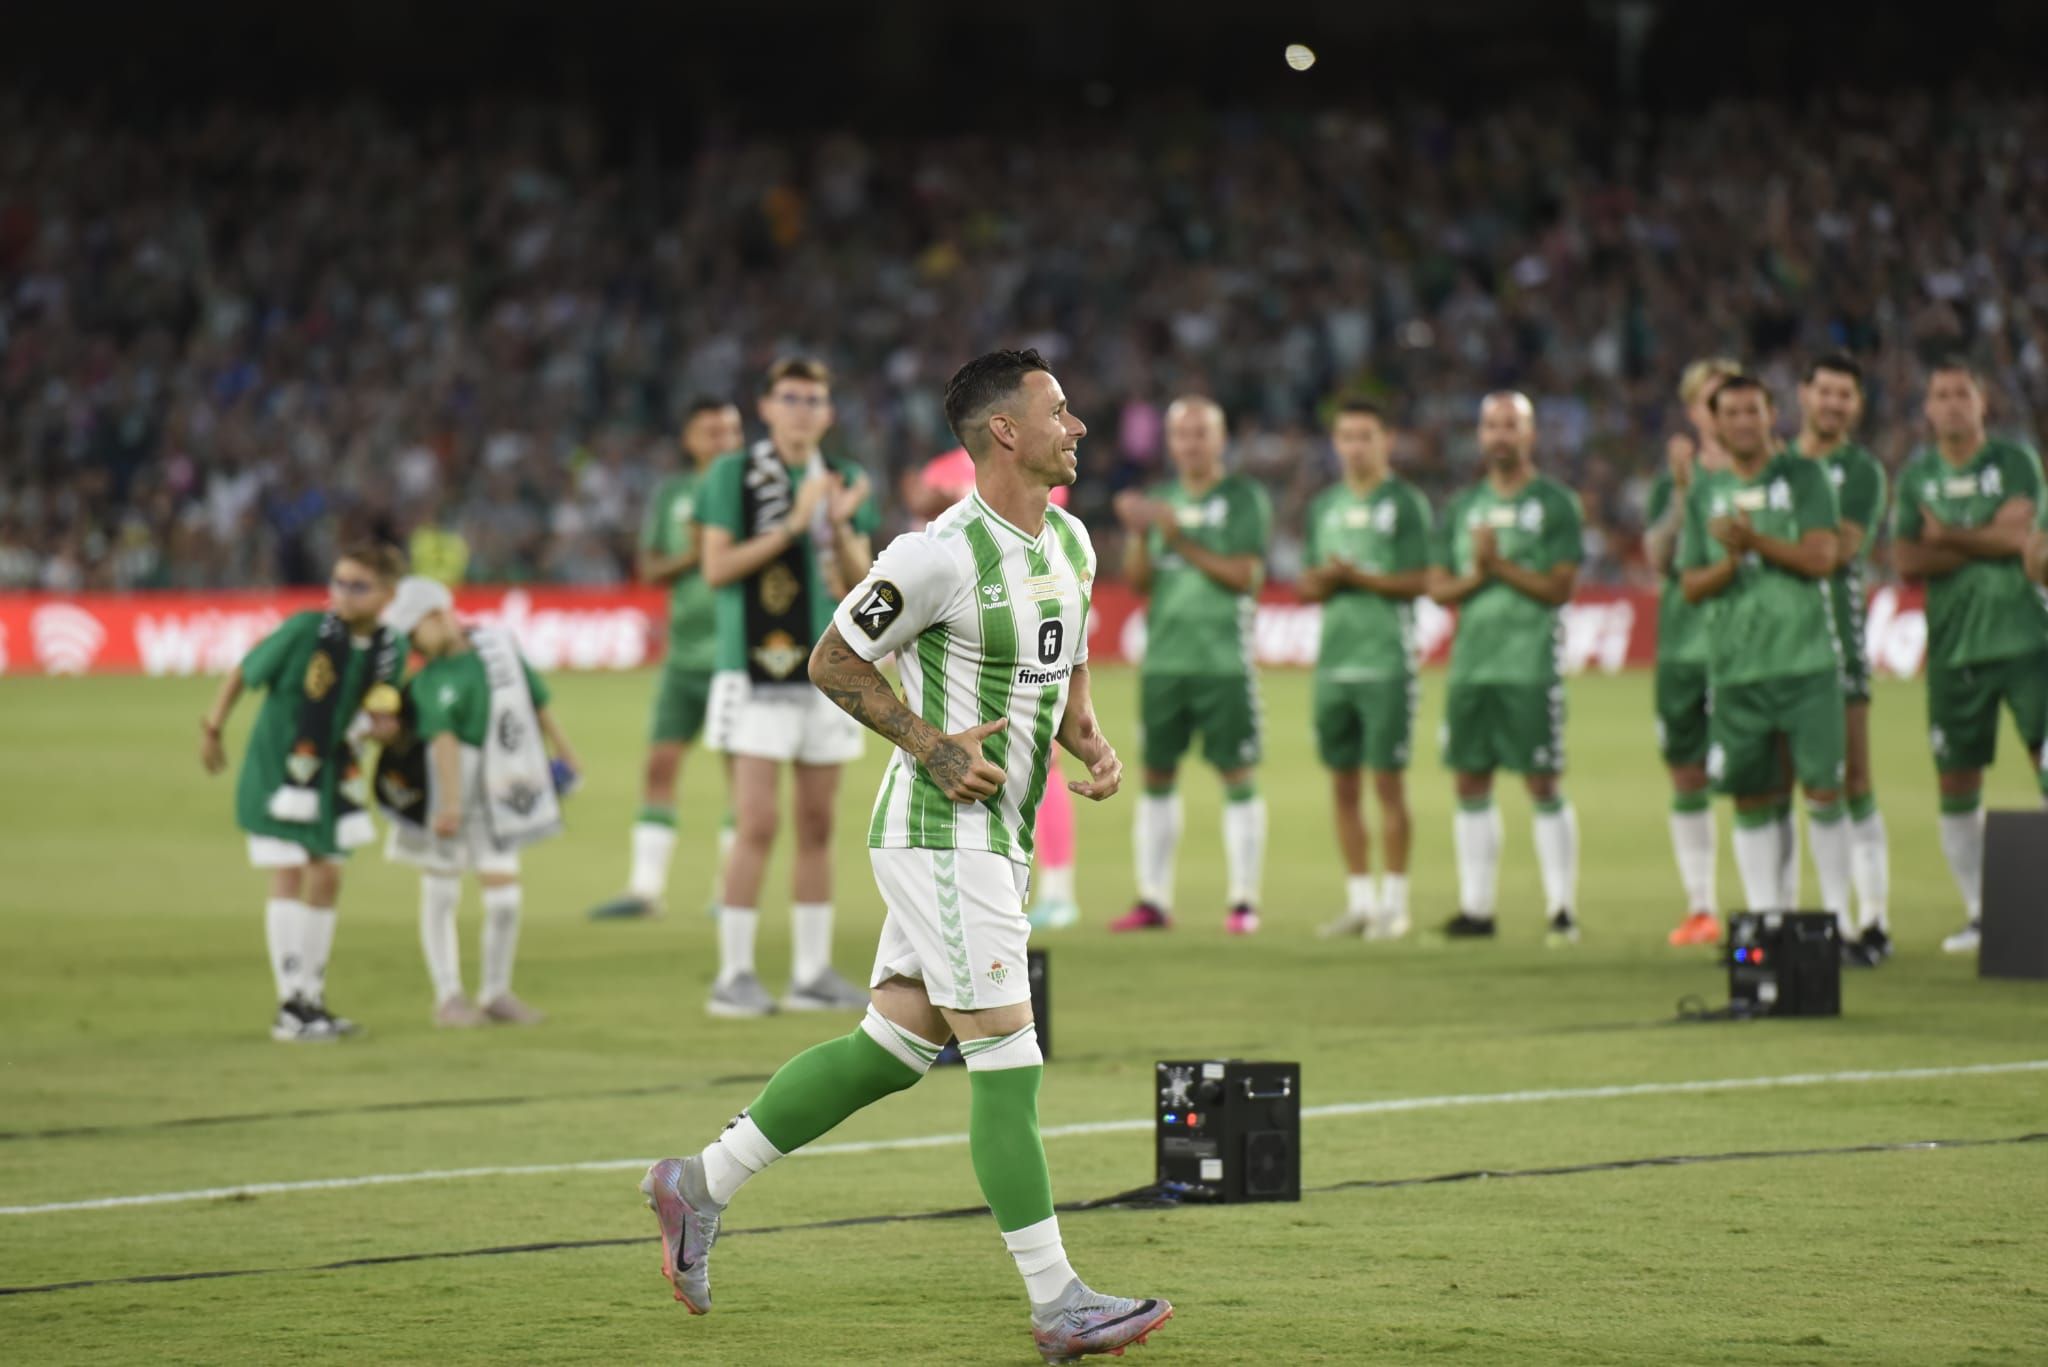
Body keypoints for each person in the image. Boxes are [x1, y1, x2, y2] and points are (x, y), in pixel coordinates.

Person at [638, 348, 1169, 1365]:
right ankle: (1058, 1300)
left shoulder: (1070, 539)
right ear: (1004, 431)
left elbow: (1063, 660)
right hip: (940, 833)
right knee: (1007, 1057)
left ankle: (698, 1182)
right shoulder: (935, 556)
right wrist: (929, 743)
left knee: (889, 1049)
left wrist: (1086, 737)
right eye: (1059, 410)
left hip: (998, 836)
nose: (1077, 426)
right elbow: (832, 657)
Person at [695, 357, 878, 1016]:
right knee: (757, 822)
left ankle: (811, 972)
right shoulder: (733, 473)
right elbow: (716, 568)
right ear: (766, 407)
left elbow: (862, 582)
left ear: (828, 414)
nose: (802, 410)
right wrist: (794, 526)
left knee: (818, 823)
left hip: (828, 670)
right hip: (754, 669)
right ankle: (733, 974)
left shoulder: (845, 477)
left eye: (813, 399)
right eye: (790, 398)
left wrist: (840, 523)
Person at [199, 543, 406, 1041]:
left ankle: (312, 998)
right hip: (279, 773)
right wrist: (212, 728)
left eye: (358, 585)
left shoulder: (390, 649)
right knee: (289, 869)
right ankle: (290, 1004)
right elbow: (245, 672)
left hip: (333, 779)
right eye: (339, 582)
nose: (343, 594)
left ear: (387, 595)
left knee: (328, 876)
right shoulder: (304, 630)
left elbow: (380, 714)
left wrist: (383, 728)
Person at [1677, 375, 1854, 928]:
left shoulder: (1805, 476)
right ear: (1715, 423)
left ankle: (1839, 922)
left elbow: (1821, 558)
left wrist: (1754, 542)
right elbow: (1690, 583)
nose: (1742, 422)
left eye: (1752, 411)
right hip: (1736, 669)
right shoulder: (1705, 492)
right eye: (1730, 413)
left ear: (1772, 415)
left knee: (1823, 791)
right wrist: (1730, 565)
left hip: (1807, 663)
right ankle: (1767, 922)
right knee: (1752, 796)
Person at [372, 578, 580, 1025]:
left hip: (502, 783)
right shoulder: (428, 680)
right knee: (442, 888)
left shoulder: (499, 647)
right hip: (450, 783)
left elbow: (536, 701)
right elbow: (443, 742)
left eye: (415, 633)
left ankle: (495, 992)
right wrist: (449, 805)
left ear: (436, 616)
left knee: (504, 898)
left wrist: (565, 752)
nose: (415, 645)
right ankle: (448, 996)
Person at [1891, 360, 2048, 953]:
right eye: (1942, 394)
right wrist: (1987, 536)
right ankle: (1983, 914)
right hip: (1954, 650)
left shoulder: (2016, 461)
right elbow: (1907, 560)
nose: (1953, 403)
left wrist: (1947, 536)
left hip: (2029, 641)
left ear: (1984, 402)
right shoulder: (1916, 475)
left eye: (1963, 393)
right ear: (1927, 408)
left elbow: (2022, 541)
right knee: (1956, 782)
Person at [1109, 396, 1273, 934]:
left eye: (1202, 433)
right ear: (1170, 443)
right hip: (1163, 662)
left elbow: (1244, 575)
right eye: (1182, 434)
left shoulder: (1243, 498)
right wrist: (1140, 533)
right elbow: (1138, 583)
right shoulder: (1161, 501)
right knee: (1156, 774)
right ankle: (1152, 900)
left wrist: (1179, 538)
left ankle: (1243, 902)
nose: (1191, 444)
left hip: (1223, 662)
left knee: (1236, 774)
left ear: (1221, 440)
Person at [1428, 392, 1583, 943]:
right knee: (1470, 780)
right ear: (1479, 435)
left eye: (1511, 425)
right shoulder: (1462, 506)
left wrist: (1499, 566)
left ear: (1531, 434)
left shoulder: (1556, 503)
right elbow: (1439, 588)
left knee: (1542, 782)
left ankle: (1561, 909)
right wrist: (1480, 574)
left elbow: (1560, 587)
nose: (1500, 435)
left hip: (1530, 666)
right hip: (1471, 667)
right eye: (1492, 425)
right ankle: (1477, 909)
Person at [910, 446, 1081, 930]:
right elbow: (925, 526)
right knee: (960, 752)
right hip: (960, 627)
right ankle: (967, 886)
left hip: (1023, 616)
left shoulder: (1032, 459)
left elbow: (1041, 518)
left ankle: (1058, 890)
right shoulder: (941, 466)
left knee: (1041, 757)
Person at [589, 398, 745, 922]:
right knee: (659, 766)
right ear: (689, 440)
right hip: (682, 658)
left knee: (741, 777)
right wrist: (696, 554)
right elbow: (651, 567)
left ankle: (730, 891)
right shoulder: (673, 494)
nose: (723, 441)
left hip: (736, 656)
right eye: (711, 432)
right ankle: (645, 889)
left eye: (731, 431)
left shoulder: (754, 491)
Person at [1298, 399, 1432, 940]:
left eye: (1365, 436)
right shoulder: (1324, 506)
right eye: (1347, 437)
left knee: (1389, 785)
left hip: (1386, 663)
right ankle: (1360, 902)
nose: (1355, 447)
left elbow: (1420, 579)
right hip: (1334, 664)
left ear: (1386, 441)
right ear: (1336, 443)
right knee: (1343, 786)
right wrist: (1328, 579)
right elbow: (1307, 583)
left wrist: (1358, 577)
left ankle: (1395, 905)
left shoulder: (1405, 503)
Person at [1793, 355, 1892, 965]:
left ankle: (1873, 920)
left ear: (1857, 405)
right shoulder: (1778, 464)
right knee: (1786, 786)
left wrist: (1766, 539)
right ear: (1803, 395)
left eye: (1845, 395)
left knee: (1854, 777)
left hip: (1837, 640)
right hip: (1777, 645)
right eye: (1824, 391)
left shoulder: (1860, 471)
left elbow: (1839, 551)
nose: (1833, 404)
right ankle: (1796, 919)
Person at [1646, 358, 1741, 946]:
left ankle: (1769, 905)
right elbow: (1659, 559)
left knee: (1762, 777)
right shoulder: (1673, 480)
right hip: (1682, 647)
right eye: (1711, 402)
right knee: (1686, 772)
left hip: (1746, 647)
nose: (1722, 413)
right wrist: (1683, 494)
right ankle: (1701, 905)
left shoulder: (1764, 473)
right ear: (1693, 412)